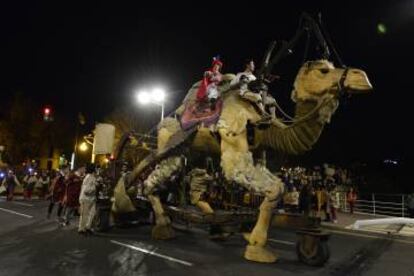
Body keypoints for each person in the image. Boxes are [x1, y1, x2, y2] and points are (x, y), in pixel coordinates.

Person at [78, 164, 98, 235]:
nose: (97, 169)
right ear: (93, 169)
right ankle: (82, 229)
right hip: (87, 199)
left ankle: (86, 228)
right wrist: (95, 187)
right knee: (86, 214)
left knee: (91, 214)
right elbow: (86, 190)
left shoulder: (89, 176)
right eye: (96, 168)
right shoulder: (90, 177)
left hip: (89, 198)